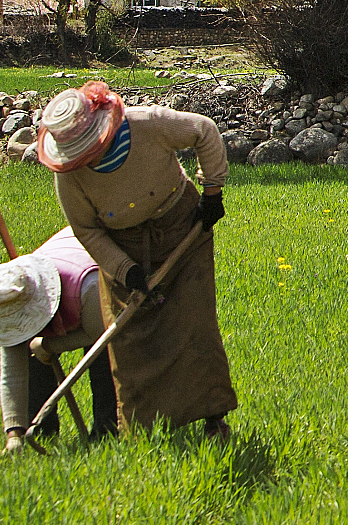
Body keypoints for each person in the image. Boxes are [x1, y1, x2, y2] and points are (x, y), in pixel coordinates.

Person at [42, 81, 235, 437]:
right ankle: (143, 433)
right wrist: (124, 271)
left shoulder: (147, 124)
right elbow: (87, 231)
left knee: (194, 323)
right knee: (131, 343)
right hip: (123, 247)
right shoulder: (69, 178)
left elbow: (204, 131)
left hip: (182, 229)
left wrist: (212, 193)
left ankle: (212, 419)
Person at [0, 226, 117, 453]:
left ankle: (106, 433)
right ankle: (42, 432)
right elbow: (12, 372)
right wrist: (14, 434)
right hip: (66, 273)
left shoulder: (87, 288)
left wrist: (49, 345)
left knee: (104, 358)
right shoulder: (9, 296)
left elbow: (103, 332)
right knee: (30, 351)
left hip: (97, 272)